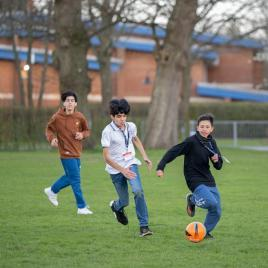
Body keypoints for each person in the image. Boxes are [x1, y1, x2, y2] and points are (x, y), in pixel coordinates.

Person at [156, 113, 223, 239]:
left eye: (207, 127)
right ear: (197, 127)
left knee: (217, 211)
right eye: (202, 126)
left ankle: (204, 232)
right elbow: (173, 151)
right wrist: (161, 166)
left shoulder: (211, 142)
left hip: (208, 178)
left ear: (211, 129)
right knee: (211, 203)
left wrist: (216, 160)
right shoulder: (191, 141)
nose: (204, 129)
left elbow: (219, 166)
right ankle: (192, 199)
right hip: (194, 179)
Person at [101, 99, 153, 237]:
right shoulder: (107, 132)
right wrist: (122, 170)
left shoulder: (131, 126)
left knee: (138, 191)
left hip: (130, 163)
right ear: (112, 116)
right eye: (118, 116)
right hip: (115, 169)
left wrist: (145, 156)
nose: (122, 119)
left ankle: (144, 227)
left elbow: (135, 139)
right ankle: (116, 207)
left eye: (124, 115)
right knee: (124, 201)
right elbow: (106, 157)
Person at [44, 90, 93, 215]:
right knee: (76, 180)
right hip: (65, 153)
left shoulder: (80, 117)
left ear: (75, 103)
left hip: (77, 152)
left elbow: (87, 130)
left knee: (70, 177)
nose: (70, 103)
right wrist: (52, 139)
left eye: (72, 101)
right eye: (67, 101)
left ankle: (52, 190)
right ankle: (81, 207)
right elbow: (49, 129)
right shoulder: (57, 117)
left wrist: (82, 134)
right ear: (64, 103)